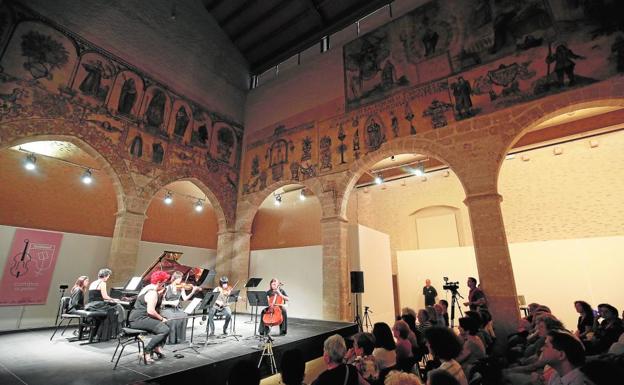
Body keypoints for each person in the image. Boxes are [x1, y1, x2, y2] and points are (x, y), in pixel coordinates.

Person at [128, 270, 170, 362]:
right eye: (163, 283)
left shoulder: (148, 288)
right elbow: (150, 311)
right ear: (159, 282)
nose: (164, 286)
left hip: (137, 318)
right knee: (164, 329)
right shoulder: (152, 293)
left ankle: (156, 348)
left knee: (166, 326)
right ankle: (146, 352)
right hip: (139, 319)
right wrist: (162, 318)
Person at [160, 271, 201, 344]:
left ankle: (180, 339)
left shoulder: (181, 288)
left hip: (177, 308)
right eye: (179, 278)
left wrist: (192, 292)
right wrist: (171, 302)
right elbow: (161, 302)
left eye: (181, 278)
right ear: (174, 278)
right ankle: (171, 340)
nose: (180, 280)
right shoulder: (167, 288)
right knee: (172, 317)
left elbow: (185, 298)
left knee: (184, 315)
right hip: (167, 308)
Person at [85, 268, 125, 341]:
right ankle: (113, 333)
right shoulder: (102, 283)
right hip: (97, 305)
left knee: (112, 308)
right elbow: (105, 296)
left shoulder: (93, 282)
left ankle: (98, 334)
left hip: (90, 304)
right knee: (115, 310)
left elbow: (97, 296)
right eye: (108, 276)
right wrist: (114, 299)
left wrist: (110, 299)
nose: (108, 277)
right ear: (105, 275)